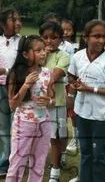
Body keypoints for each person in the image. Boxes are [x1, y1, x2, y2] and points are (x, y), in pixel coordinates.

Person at [67, 19, 105, 182]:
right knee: (85, 153)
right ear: (86, 37)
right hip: (82, 113)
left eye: (103, 36)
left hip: (100, 116)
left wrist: (89, 89)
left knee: (99, 155)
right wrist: (72, 91)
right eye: (96, 36)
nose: (100, 40)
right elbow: (71, 77)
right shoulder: (78, 57)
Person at [5, 35, 53, 182]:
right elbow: (12, 105)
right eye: (38, 50)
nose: (43, 53)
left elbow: (52, 98)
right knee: (17, 162)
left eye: (44, 49)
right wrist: (25, 86)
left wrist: (48, 101)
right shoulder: (16, 74)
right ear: (25, 54)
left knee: (39, 163)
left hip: (44, 123)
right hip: (24, 123)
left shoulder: (47, 73)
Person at [0, 9, 22, 179]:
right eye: (13, 19)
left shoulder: (24, 41)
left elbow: (25, 66)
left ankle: (18, 163)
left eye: (18, 19)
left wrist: (7, 70)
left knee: (18, 128)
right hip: (1, 89)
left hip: (18, 89)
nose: (18, 22)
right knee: (3, 128)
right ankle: (3, 164)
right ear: (2, 24)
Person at [39, 22, 70, 182]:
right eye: (45, 37)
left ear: (61, 39)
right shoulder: (39, 54)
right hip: (38, 102)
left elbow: (54, 76)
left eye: (53, 37)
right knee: (41, 134)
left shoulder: (63, 55)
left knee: (57, 136)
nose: (49, 41)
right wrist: (42, 55)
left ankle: (55, 171)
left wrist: (49, 83)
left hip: (56, 102)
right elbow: (31, 70)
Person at [61, 19, 80, 154]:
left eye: (69, 29)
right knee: (61, 115)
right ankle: (62, 139)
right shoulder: (58, 46)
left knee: (73, 113)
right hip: (59, 84)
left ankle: (76, 138)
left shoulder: (76, 46)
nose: (65, 32)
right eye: (63, 29)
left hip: (71, 84)